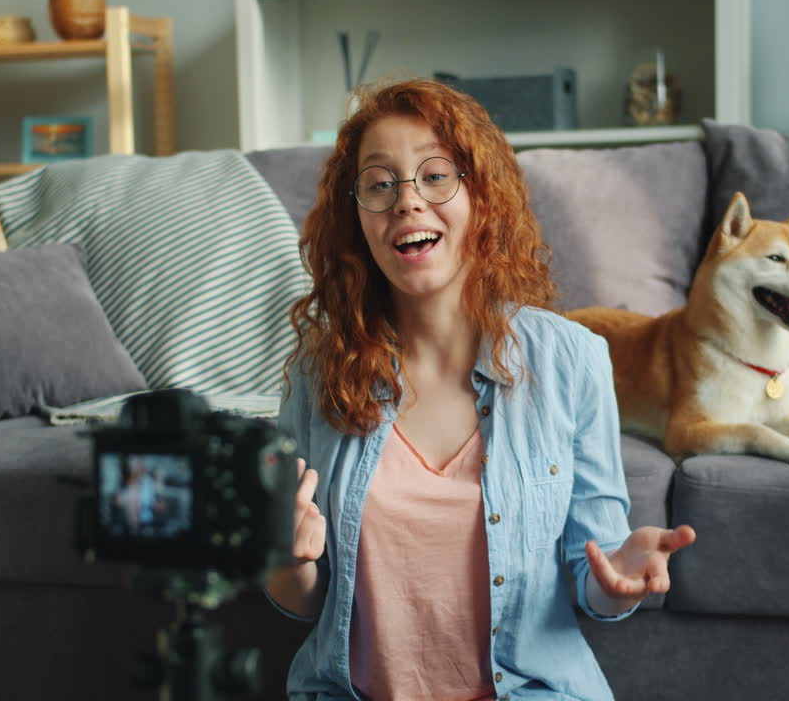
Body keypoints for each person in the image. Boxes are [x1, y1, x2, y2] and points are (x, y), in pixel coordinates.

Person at [267, 79, 696, 701]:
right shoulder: (320, 369)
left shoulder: (572, 359)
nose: (407, 201)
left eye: (436, 175)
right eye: (380, 183)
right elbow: (302, 600)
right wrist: (288, 559)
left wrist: (618, 578)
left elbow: (592, 577)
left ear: (483, 197)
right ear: (356, 218)